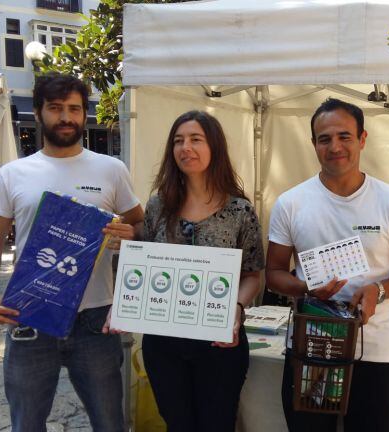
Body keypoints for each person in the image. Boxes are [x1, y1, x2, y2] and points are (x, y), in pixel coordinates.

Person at [0, 73, 144, 432]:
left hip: (95, 319)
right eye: (55, 108)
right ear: (38, 113)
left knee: (110, 423)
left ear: (84, 114)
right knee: (27, 424)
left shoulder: (112, 170)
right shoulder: (13, 174)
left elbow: (140, 224)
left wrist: (129, 234)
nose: (66, 117)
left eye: (74, 109)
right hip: (30, 313)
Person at [266, 98, 389, 432]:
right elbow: (274, 274)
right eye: (324, 139)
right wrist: (306, 288)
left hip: (374, 352)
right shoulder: (290, 203)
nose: (335, 147)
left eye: (344, 136)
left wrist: (378, 290)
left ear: (362, 139)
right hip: (311, 348)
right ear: (313, 143)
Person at [135, 111, 264, 432]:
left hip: (219, 343)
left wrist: (236, 308)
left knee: (217, 424)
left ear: (214, 147)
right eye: (178, 141)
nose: (185, 148)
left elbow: (253, 275)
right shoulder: (157, 206)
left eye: (196, 139)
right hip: (163, 342)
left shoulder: (240, 210)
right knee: (177, 423)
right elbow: (145, 266)